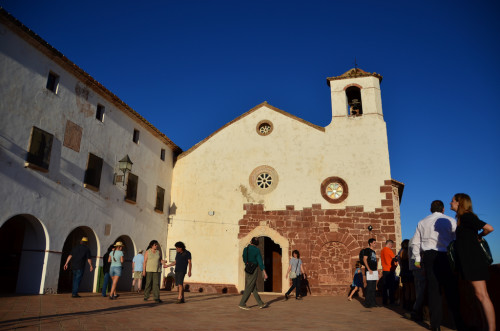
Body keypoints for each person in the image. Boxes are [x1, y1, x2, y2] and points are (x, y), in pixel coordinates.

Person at [411, 200, 464, 331]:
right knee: (451, 289)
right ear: (443, 209)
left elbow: (415, 243)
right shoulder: (450, 220)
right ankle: (457, 323)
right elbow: (456, 239)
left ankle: (435, 326)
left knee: (434, 291)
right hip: (447, 256)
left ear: (431, 209)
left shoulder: (422, 222)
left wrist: (418, 260)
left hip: (429, 257)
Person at [451, 193, 495, 331]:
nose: (450, 203)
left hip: (474, 261)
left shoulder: (467, 217)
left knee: (482, 295)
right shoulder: (463, 219)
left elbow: (489, 227)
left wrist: (480, 236)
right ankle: (485, 327)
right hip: (470, 261)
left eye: (452, 201)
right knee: (479, 295)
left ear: (460, 203)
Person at [239, 237, 268, 310]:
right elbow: (260, 262)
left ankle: (260, 303)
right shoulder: (256, 250)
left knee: (253, 286)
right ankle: (242, 303)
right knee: (249, 286)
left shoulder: (246, 248)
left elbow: (244, 257)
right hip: (253, 269)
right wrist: (264, 272)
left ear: (251, 241)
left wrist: (247, 264)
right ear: (257, 243)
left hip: (247, 268)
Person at [406, 236, 425, 321]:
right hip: (419, 267)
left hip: (414, 268)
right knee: (421, 290)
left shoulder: (411, 240)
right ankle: (416, 311)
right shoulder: (417, 240)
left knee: (418, 290)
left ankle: (417, 311)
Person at [398, 239, 414, 310]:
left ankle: (406, 304)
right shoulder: (409, 252)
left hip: (403, 271)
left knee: (406, 289)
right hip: (409, 271)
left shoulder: (400, 252)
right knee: (412, 289)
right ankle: (412, 304)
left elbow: (400, 263)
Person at [362, 238, 378, 308]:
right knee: (369, 287)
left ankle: (373, 302)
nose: (375, 244)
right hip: (369, 271)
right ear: (370, 243)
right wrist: (368, 269)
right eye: (374, 243)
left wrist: (376, 270)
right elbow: (364, 259)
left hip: (374, 271)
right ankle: (367, 303)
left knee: (373, 287)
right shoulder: (367, 250)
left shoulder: (374, 252)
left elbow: (374, 261)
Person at [380, 239, 397, 306]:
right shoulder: (389, 250)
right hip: (390, 270)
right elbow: (394, 259)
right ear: (389, 244)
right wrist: (396, 264)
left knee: (385, 287)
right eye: (391, 245)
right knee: (391, 287)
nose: (392, 247)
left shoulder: (382, 250)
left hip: (384, 270)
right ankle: (392, 301)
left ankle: (384, 301)